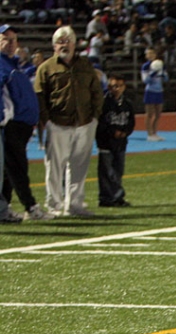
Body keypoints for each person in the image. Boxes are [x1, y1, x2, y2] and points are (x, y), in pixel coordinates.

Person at [34, 25, 103, 217]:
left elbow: (96, 91)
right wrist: (46, 120)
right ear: (54, 46)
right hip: (57, 123)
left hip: (85, 123)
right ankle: (54, 205)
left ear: (74, 43)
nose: (64, 45)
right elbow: (39, 96)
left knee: (79, 166)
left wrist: (95, 116)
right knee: (54, 167)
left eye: (67, 41)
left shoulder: (85, 65)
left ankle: (74, 204)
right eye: (60, 42)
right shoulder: (45, 68)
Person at [0, 24, 52, 220]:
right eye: (6, 39)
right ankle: (30, 207)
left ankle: (4, 209)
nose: (11, 43)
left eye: (14, 40)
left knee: (8, 170)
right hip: (11, 125)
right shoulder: (2, 64)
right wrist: (4, 118)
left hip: (22, 126)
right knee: (17, 168)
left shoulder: (14, 64)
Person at [96, 74, 134, 208]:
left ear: (124, 87)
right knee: (107, 172)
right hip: (106, 143)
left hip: (121, 144)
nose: (116, 89)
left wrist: (125, 132)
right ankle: (106, 197)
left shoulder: (127, 104)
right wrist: (112, 132)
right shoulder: (104, 103)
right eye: (113, 86)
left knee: (118, 171)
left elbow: (131, 122)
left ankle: (116, 197)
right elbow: (100, 124)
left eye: (119, 86)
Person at [141, 47, 167, 142]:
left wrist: (163, 74)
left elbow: (166, 79)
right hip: (150, 91)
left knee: (158, 114)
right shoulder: (146, 66)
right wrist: (153, 73)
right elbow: (145, 80)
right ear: (146, 55)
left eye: (152, 53)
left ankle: (155, 133)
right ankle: (149, 134)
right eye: (149, 53)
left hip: (159, 91)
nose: (151, 55)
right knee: (149, 114)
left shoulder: (160, 64)